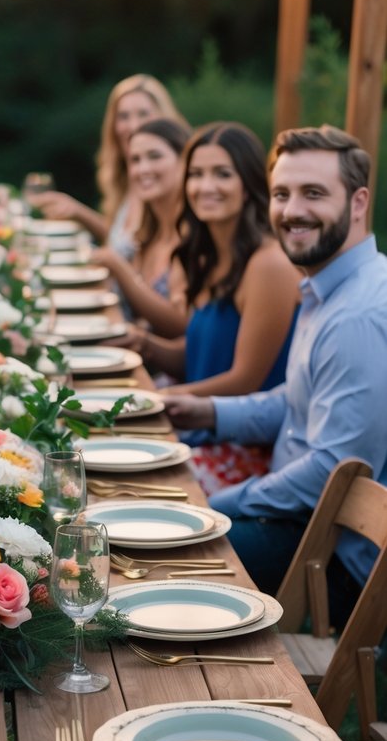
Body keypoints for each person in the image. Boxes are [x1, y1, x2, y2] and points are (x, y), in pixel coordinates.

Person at [165, 125, 387, 625]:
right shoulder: (325, 288)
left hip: (326, 555)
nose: (291, 211)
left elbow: (333, 471)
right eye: (282, 194)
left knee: (166, 557)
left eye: (314, 193)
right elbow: (296, 400)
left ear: (357, 203)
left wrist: (220, 503)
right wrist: (209, 411)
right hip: (297, 519)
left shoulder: (357, 314)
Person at [122, 122, 300, 492]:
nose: (206, 186)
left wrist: (157, 398)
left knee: (124, 481)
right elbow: (201, 353)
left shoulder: (268, 263)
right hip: (198, 432)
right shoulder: (211, 255)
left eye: (223, 174)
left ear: (250, 184)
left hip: (245, 451)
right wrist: (144, 344)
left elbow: (243, 380)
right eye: (196, 174)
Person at [33, 74, 183, 258]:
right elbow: (122, 242)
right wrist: (77, 212)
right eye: (124, 116)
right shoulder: (130, 177)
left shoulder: (163, 182)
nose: (134, 125)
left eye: (143, 114)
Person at [91, 117, 191, 338]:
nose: (143, 168)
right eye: (135, 160)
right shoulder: (147, 232)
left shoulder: (192, 236)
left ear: (184, 162)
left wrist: (119, 268)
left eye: (154, 156)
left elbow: (182, 326)